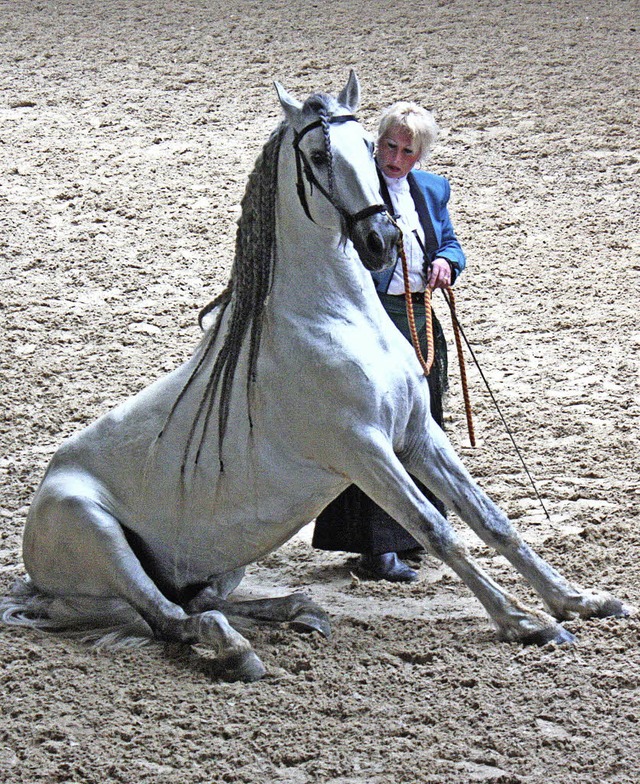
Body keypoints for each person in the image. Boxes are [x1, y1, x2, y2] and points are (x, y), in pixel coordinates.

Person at [312, 101, 466, 582]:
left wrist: (446, 263)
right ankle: (374, 548)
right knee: (378, 430)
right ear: (377, 144)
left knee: (424, 427)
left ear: (420, 156)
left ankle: (415, 535)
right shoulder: (360, 187)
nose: (396, 158)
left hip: (419, 315)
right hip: (373, 317)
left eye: (408, 151)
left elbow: (450, 244)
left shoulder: (432, 189)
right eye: (390, 146)